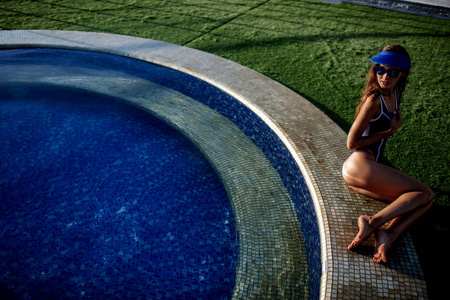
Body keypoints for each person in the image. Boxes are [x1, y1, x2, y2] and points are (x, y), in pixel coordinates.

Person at [342, 44, 433, 263]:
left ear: (402, 74)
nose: (385, 76)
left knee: (423, 201)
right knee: (425, 194)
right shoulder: (373, 100)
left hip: (366, 169)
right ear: (375, 70)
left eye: (392, 72)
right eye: (380, 70)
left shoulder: (395, 92)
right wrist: (389, 131)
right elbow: (351, 142)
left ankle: (389, 233)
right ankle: (372, 222)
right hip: (360, 162)